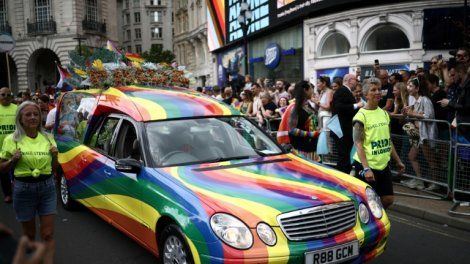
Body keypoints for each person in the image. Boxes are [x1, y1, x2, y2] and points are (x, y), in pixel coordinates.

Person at [0, 101, 58, 264]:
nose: (33, 117)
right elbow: (2, 169)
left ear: (40, 117)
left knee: (48, 233)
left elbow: (54, 168)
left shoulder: (48, 137)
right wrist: (13, 160)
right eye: (28, 114)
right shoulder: (12, 139)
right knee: (30, 236)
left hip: (47, 188)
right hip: (23, 189)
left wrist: (55, 156)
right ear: (20, 118)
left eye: (36, 114)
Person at [352, 77, 405, 209]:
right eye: (373, 90)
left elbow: (388, 140)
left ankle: (374, 217)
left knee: (388, 199)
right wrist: (366, 168)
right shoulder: (360, 117)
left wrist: (398, 161)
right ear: (365, 95)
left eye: (379, 90)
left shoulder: (384, 114)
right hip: (367, 166)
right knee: (369, 202)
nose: (377, 92)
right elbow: (358, 144)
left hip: (383, 165)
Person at [402, 76, 438, 191]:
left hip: (426, 135)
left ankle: (435, 183)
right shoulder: (416, 101)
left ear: (417, 88)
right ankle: (420, 180)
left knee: (431, 160)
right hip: (419, 135)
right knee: (411, 156)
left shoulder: (425, 100)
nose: (408, 88)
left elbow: (429, 116)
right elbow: (415, 115)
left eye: (411, 86)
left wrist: (413, 114)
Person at [277, 81, 320, 161]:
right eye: (311, 88)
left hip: (312, 147)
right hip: (301, 149)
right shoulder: (294, 107)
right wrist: (311, 134)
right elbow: (292, 130)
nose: (313, 91)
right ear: (305, 90)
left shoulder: (307, 105)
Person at [331, 74, 364, 173]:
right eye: (355, 80)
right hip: (342, 130)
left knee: (344, 156)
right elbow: (339, 107)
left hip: (345, 129)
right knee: (344, 157)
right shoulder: (342, 90)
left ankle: (342, 177)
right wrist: (357, 105)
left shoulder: (346, 91)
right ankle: (341, 179)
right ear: (349, 80)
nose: (357, 82)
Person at [0, 87, 17, 203]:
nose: (6, 97)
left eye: (8, 95)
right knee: (4, 171)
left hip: (16, 145)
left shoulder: (17, 108)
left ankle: (19, 192)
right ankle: (7, 194)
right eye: (3, 95)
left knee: (17, 169)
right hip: (1, 147)